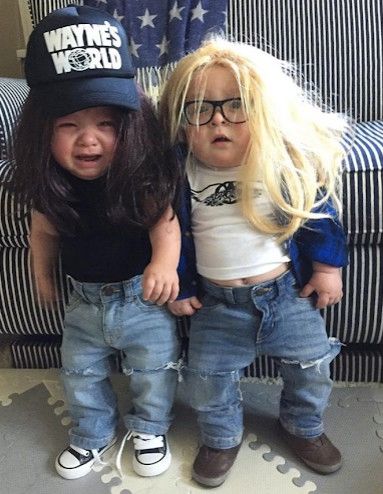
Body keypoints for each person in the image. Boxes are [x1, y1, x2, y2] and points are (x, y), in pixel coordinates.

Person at [159, 37, 349, 487]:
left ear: (263, 110)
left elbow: (319, 217)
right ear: (182, 124)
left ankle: (303, 426)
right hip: (217, 305)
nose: (218, 119)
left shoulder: (281, 163)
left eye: (236, 105)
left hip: (285, 297)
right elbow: (171, 238)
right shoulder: (181, 172)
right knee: (206, 378)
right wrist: (181, 288)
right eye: (199, 108)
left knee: (311, 368)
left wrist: (327, 269)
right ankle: (222, 436)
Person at [9, 5, 182, 481]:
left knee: (154, 369)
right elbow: (41, 232)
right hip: (83, 304)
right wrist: (41, 275)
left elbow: (165, 223)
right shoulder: (51, 187)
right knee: (80, 373)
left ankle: (150, 427)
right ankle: (90, 432)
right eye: (68, 126)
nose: (89, 140)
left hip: (144, 299)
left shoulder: (140, 177)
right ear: (41, 131)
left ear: (130, 124)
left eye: (106, 123)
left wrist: (165, 265)